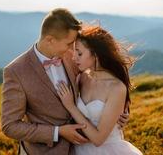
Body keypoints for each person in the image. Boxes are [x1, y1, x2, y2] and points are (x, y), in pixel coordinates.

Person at [1, 8, 129, 155]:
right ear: (50, 40)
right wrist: (57, 132)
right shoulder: (16, 71)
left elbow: (101, 83)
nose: (72, 50)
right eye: (69, 44)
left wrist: (116, 114)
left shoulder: (73, 56)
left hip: (82, 148)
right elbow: (10, 126)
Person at [57, 25, 143, 155]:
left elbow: (98, 139)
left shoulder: (116, 88)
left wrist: (71, 107)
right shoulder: (81, 77)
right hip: (78, 149)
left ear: (95, 55)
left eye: (79, 53)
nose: (74, 57)